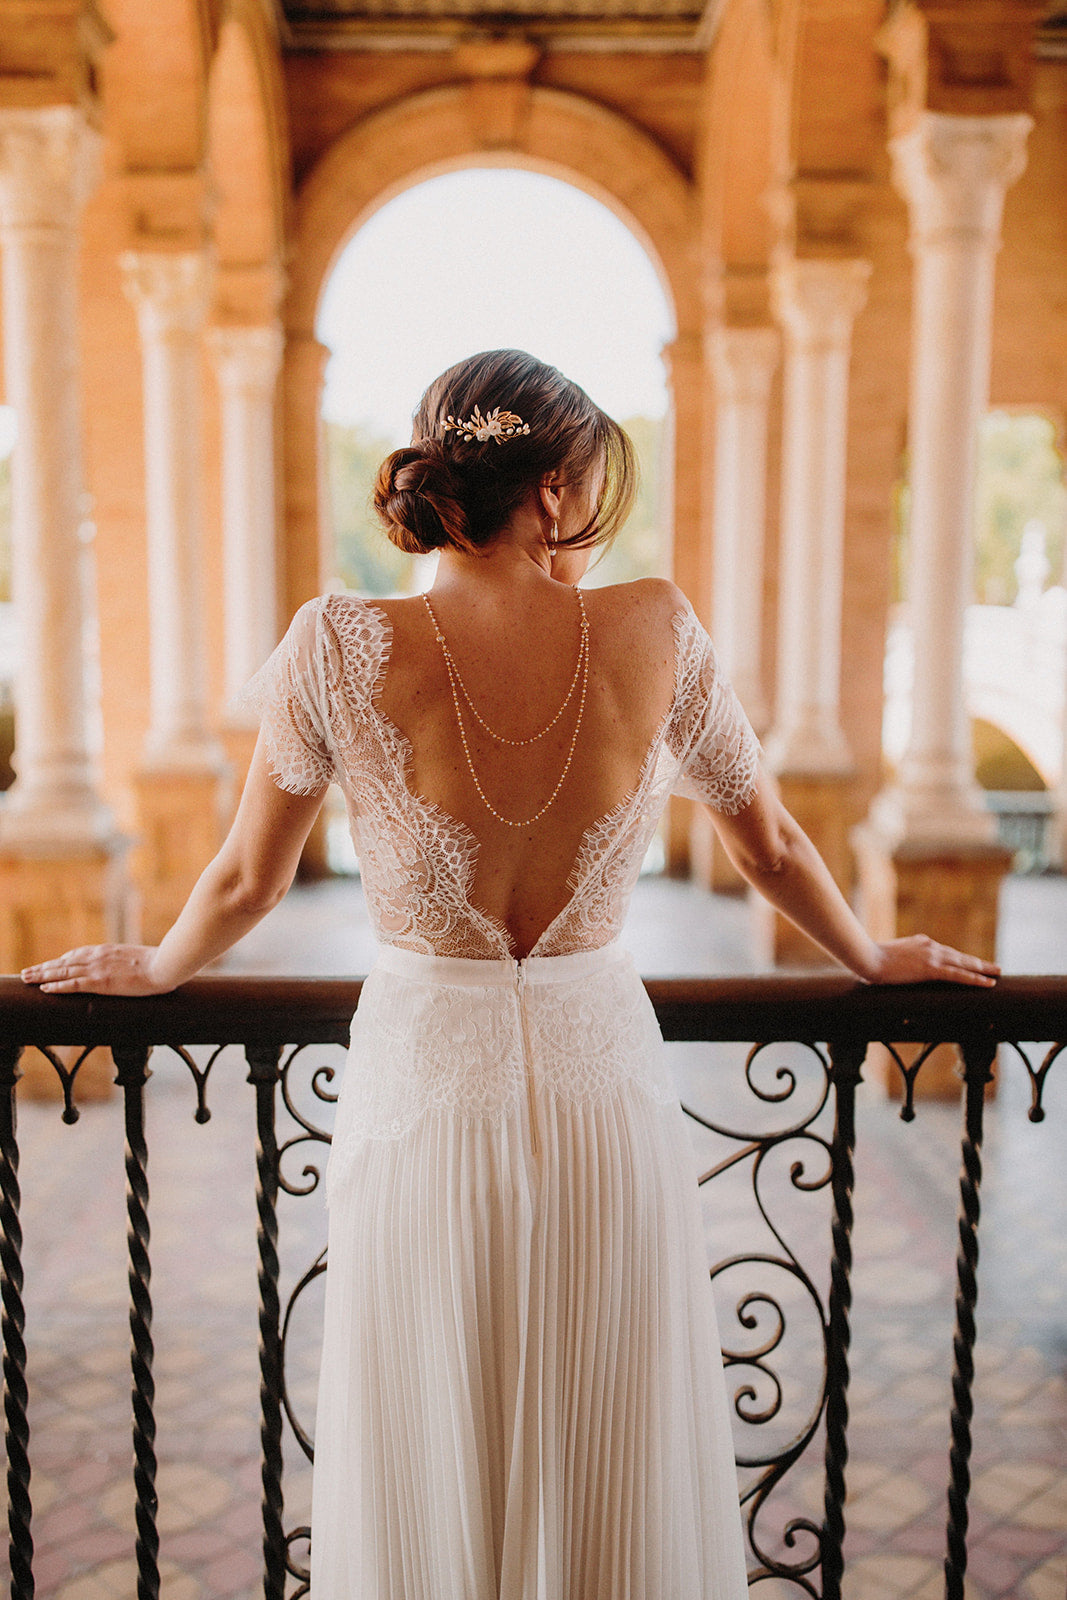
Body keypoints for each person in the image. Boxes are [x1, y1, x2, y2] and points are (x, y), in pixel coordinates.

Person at [22, 349, 998, 1597]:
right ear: (547, 490)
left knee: (435, 1406)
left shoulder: (339, 642)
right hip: (600, 1080)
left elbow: (243, 882)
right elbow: (768, 839)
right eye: (589, 480)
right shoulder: (655, 626)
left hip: (426, 1081)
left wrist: (154, 966)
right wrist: (870, 955)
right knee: (607, 1411)